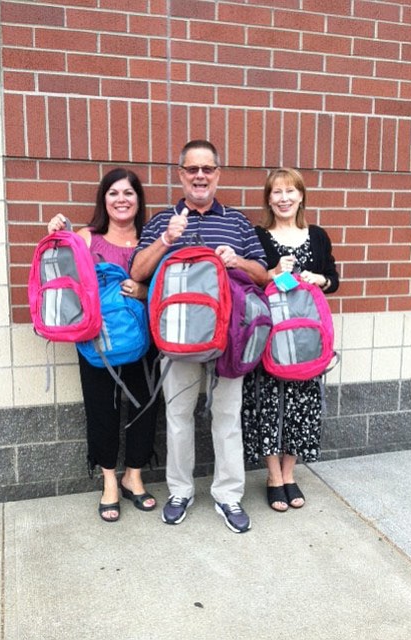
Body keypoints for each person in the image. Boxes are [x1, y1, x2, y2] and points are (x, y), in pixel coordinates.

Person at [130, 140, 268, 533]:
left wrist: (236, 260)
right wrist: (167, 240)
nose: (200, 176)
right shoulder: (161, 221)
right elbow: (138, 272)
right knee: (177, 417)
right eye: (192, 169)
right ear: (180, 174)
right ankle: (180, 491)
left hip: (228, 341)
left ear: (218, 174)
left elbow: (263, 275)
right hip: (176, 341)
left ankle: (228, 496)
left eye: (207, 169)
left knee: (227, 418)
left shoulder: (239, 223)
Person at [47, 168, 160, 523]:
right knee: (101, 408)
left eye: (128, 193)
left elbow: (167, 286)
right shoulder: (86, 237)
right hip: (96, 339)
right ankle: (109, 480)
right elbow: (65, 274)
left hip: (145, 340)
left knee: (145, 406)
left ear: (138, 200)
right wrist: (56, 233)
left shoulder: (151, 239)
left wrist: (145, 291)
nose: (121, 200)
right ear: (104, 199)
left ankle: (134, 475)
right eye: (113, 193)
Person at [241, 168, 339, 512]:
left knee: (303, 405)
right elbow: (250, 282)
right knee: (269, 405)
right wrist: (273, 272)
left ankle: (289, 473)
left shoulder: (318, 235)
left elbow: (334, 279)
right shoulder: (258, 236)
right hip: (273, 334)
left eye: (290, 191)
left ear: (301, 196)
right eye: (276, 192)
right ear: (268, 198)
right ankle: (272, 477)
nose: (283, 198)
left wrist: (320, 279)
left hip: (309, 335)